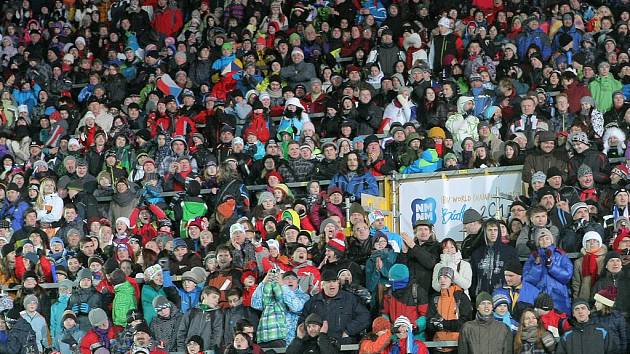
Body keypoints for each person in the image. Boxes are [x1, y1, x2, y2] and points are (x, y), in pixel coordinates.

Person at [300, 269, 371, 344]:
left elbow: (365, 317)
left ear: (338, 283)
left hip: (343, 345)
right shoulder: (313, 302)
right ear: (322, 285)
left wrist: (348, 331)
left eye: (334, 281)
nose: (332, 284)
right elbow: (302, 322)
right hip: (319, 345)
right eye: (328, 282)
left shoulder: (350, 299)